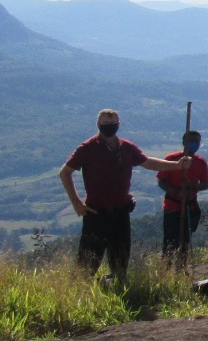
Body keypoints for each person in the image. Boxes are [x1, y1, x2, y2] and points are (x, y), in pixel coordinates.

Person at [60, 109, 192, 283]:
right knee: (87, 264)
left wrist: (176, 166)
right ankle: (76, 297)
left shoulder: (126, 147)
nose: (110, 126)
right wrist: (76, 202)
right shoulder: (88, 148)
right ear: (98, 125)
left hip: (121, 212)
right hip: (95, 213)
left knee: (120, 261)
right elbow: (65, 173)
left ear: (118, 124)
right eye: (106, 123)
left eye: (112, 122)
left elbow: (147, 162)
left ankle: (118, 293)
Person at [157, 129, 208, 268]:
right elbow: (161, 181)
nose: (194, 144)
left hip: (190, 207)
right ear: (184, 143)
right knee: (169, 241)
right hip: (172, 207)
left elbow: (205, 184)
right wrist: (175, 192)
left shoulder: (200, 162)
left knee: (185, 240)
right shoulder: (171, 159)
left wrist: (192, 186)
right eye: (191, 141)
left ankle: (181, 268)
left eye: (197, 142)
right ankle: (165, 270)